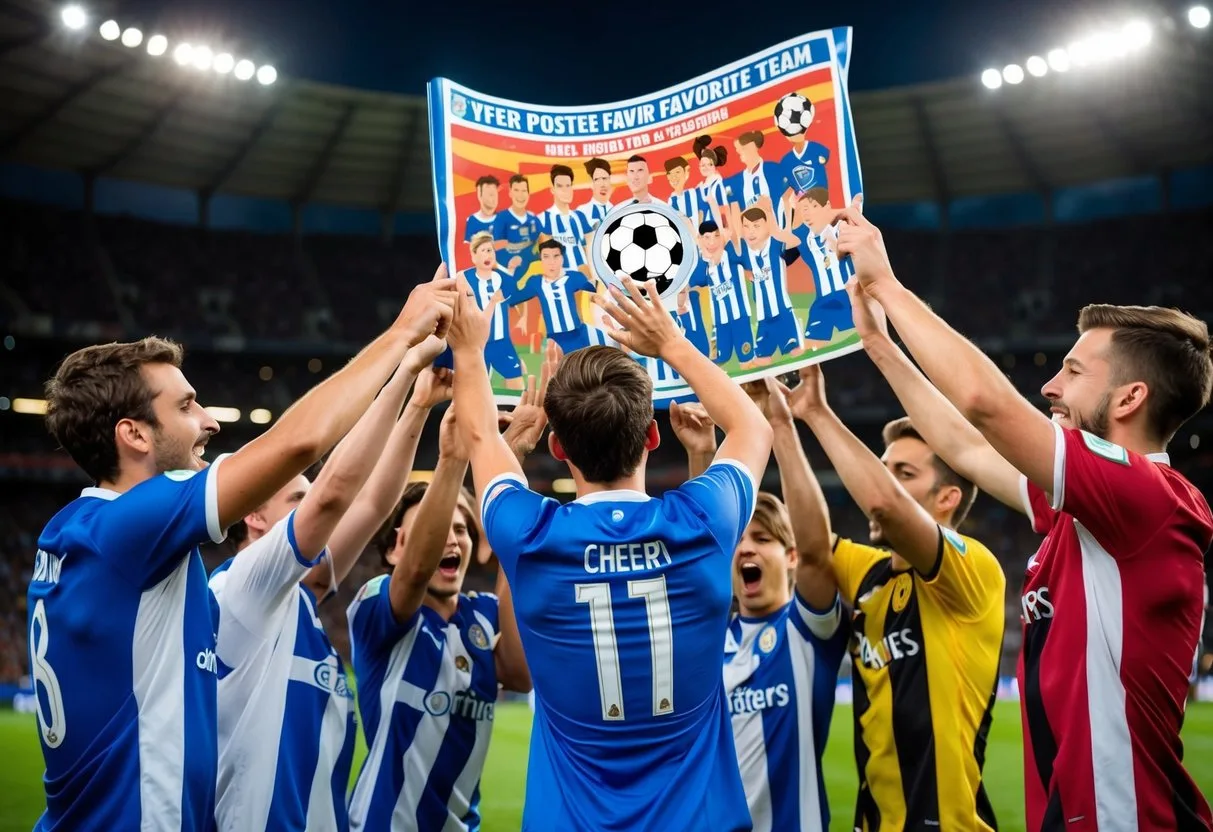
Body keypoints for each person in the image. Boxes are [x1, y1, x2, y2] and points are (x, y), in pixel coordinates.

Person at [835, 200, 1213, 829]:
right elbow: (964, 447)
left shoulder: (1149, 497)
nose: (1050, 386)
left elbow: (984, 405)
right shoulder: (1087, 513)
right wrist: (877, 343)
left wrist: (887, 285)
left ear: (1130, 398)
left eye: (1073, 371)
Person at [27, 276, 456, 829]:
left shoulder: (84, 534)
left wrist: (411, 386)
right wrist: (400, 334)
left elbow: (364, 503)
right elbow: (300, 446)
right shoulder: (128, 527)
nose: (209, 421)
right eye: (186, 406)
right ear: (134, 435)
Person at [448, 272, 773, 831]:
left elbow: (480, 437)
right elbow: (753, 426)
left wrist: (470, 351)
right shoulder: (704, 522)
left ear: (557, 447)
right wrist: (670, 343)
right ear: (652, 437)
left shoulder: (528, 535)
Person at [208, 333, 446, 832]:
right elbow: (336, 493)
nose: (313, 509)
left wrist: (419, 404)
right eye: (298, 500)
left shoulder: (300, 595)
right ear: (253, 516)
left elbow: (373, 504)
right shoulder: (241, 589)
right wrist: (404, 369)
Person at [781, 358, 1005, 831]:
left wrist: (819, 414)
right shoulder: (870, 571)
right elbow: (813, 547)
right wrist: (783, 425)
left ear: (947, 498)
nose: (881, 484)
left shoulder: (973, 569)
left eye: (902, 473)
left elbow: (883, 503)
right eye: (882, 470)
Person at [346, 353, 552, 832]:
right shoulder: (375, 605)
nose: (452, 538)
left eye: (462, 528)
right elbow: (416, 570)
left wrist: (512, 466)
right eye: (436, 528)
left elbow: (520, 676)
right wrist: (454, 458)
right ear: (394, 549)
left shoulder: (483, 615)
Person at [671, 387, 847, 832]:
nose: (746, 548)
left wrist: (781, 426)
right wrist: (703, 453)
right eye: (741, 540)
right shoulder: (713, 640)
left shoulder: (807, 630)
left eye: (763, 539)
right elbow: (708, 546)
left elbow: (818, 555)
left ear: (790, 557)